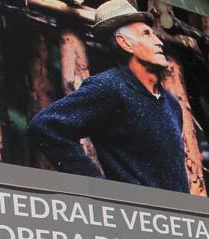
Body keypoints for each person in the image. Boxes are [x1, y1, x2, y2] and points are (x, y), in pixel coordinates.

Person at [29, 0, 190, 193]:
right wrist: (98, 188)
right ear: (125, 43)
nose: (159, 41)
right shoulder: (109, 87)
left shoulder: (171, 104)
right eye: (147, 34)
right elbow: (46, 125)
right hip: (135, 210)